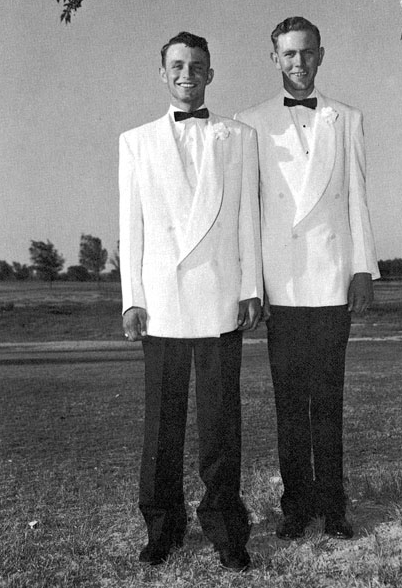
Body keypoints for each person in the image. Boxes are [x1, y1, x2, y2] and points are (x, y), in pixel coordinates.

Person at [119, 31, 262, 572]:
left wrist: (251, 288)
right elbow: (130, 227)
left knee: (221, 424)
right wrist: (132, 299)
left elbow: (247, 217)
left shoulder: (239, 137)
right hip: (162, 302)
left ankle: (226, 528)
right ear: (163, 73)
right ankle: (162, 527)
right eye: (177, 66)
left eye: (196, 66)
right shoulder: (134, 142)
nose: (187, 75)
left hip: (220, 297)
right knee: (162, 425)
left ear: (210, 73)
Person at [236, 16, 380, 541]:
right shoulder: (250, 123)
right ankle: (296, 505)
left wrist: (363, 268)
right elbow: (248, 213)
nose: (299, 62)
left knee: (329, 399)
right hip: (283, 285)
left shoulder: (347, 118)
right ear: (274, 58)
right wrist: (252, 285)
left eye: (307, 52)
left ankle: (334, 505)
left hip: (331, 277)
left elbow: (357, 197)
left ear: (321, 55)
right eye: (289, 54)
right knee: (290, 403)